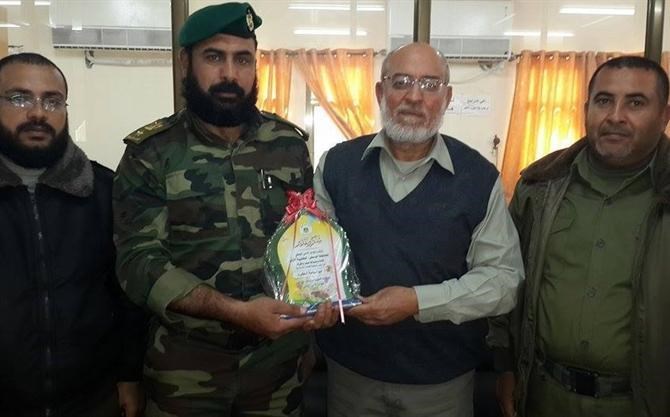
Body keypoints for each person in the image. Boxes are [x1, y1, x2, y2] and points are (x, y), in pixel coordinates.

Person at [113, 2, 337, 416]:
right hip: (186, 368)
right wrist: (237, 312)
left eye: (243, 59)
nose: (230, 74)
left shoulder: (288, 145)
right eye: (214, 57)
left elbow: (304, 239)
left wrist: (319, 301)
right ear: (186, 63)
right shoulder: (151, 154)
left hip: (278, 366)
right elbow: (138, 263)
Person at [312, 42, 524, 417]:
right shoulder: (336, 166)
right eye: (401, 82)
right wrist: (315, 297)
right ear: (381, 92)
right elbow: (315, 261)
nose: (414, 96)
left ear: (447, 97)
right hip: (350, 376)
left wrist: (418, 301)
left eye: (429, 84)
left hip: (441, 385)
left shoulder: (478, 178)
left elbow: (504, 281)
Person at [492, 55, 670, 417]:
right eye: (604, 100)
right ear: (587, 108)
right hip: (543, 395)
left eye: (636, 103)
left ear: (664, 116)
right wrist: (504, 365)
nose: (616, 116)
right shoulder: (540, 187)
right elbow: (505, 278)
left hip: (640, 403)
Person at [0, 52, 146, 416]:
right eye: (19, 98)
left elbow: (128, 294)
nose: (38, 113)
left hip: (92, 398)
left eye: (52, 101)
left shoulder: (105, 191)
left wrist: (130, 375)